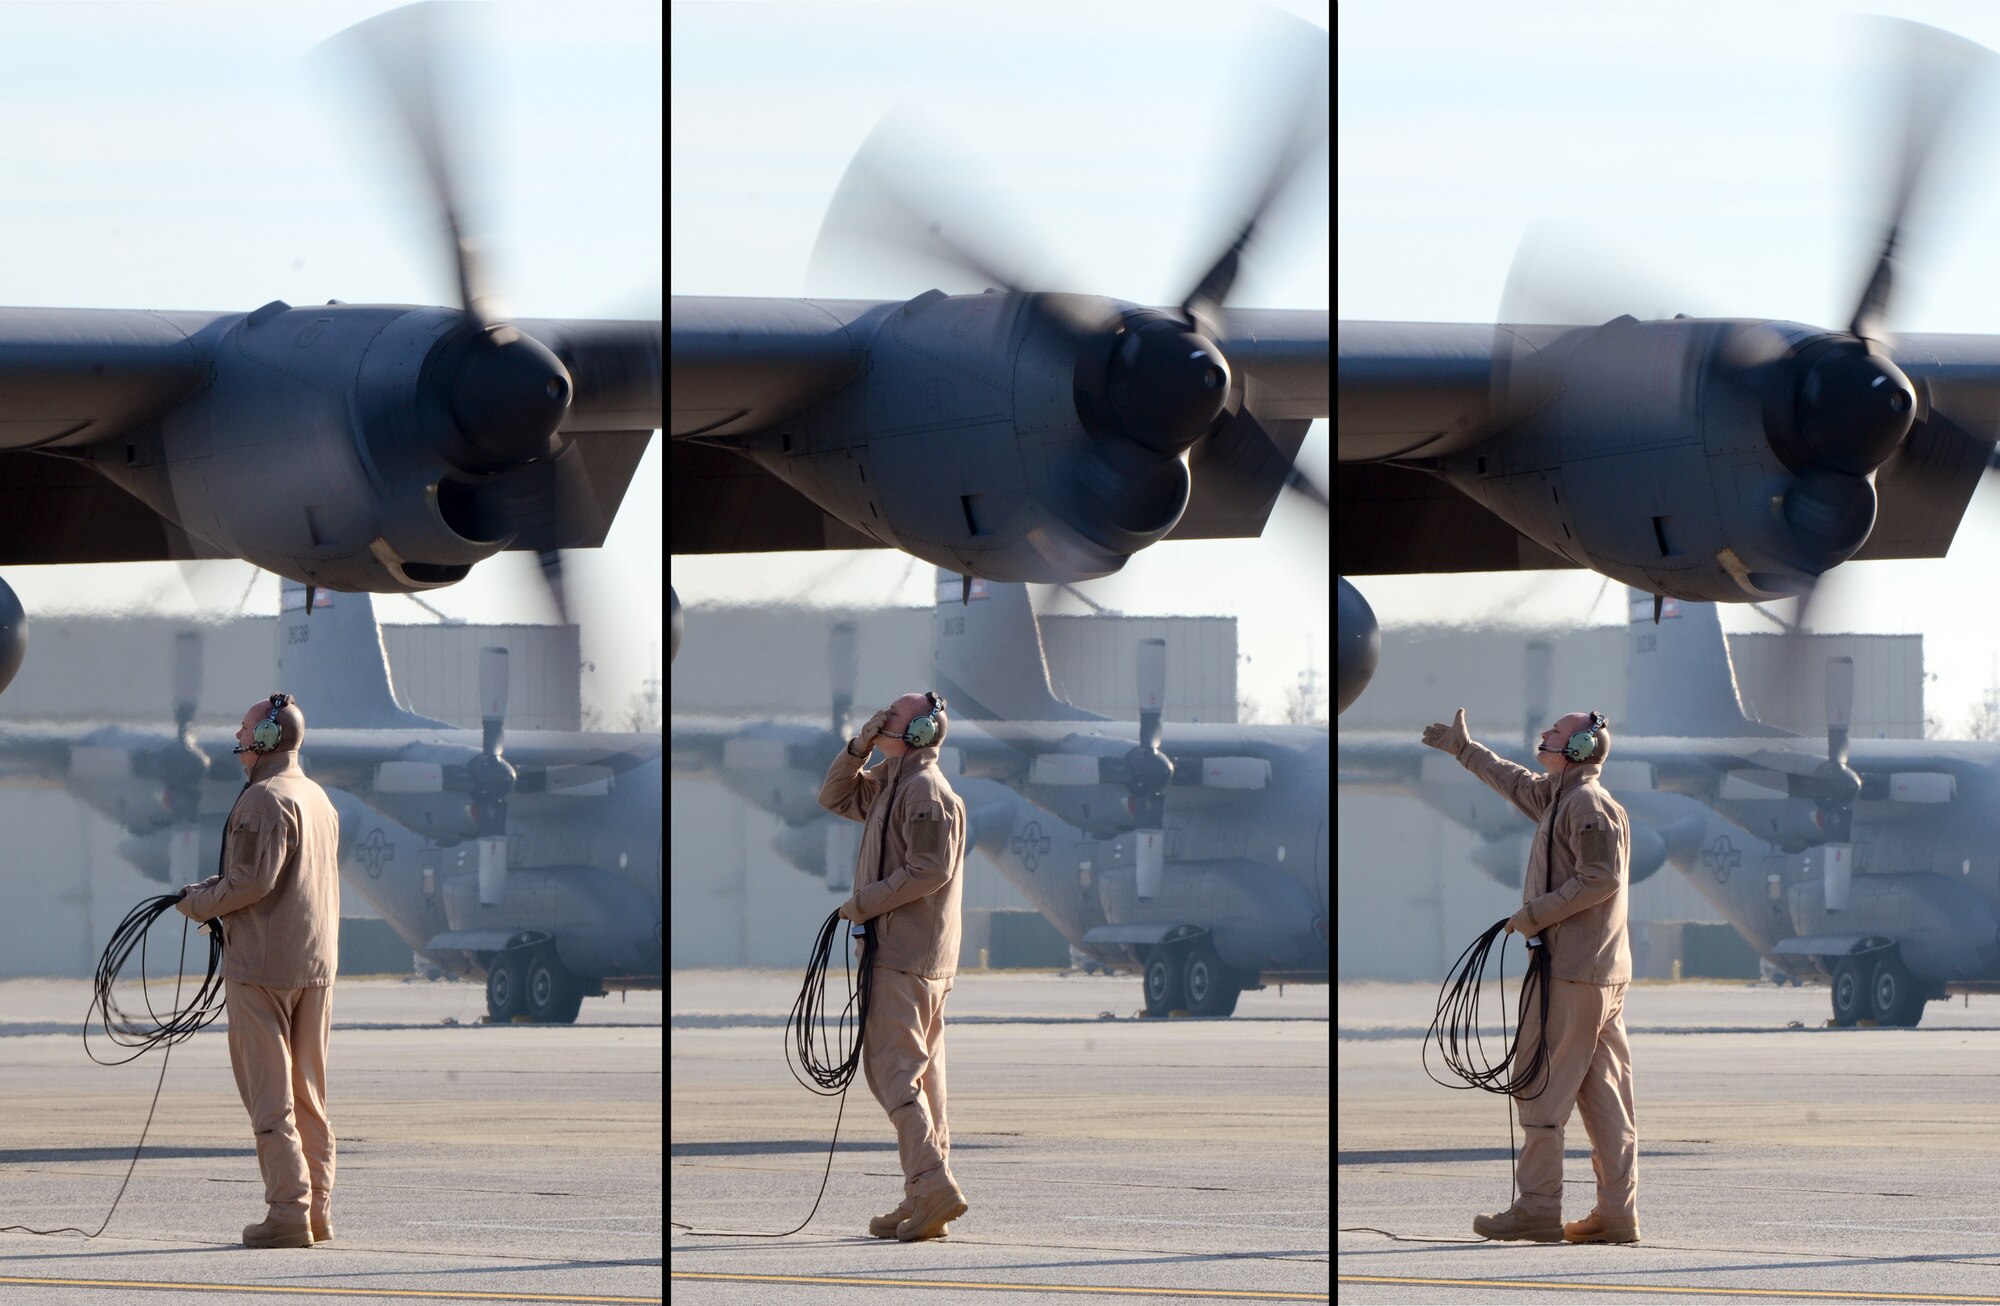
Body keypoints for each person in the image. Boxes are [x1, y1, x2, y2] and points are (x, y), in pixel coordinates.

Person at [1420, 706, 1641, 1246]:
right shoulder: (1562, 797)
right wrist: (1464, 750)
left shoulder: (1586, 804)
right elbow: (1517, 783)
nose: (1545, 736)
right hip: (1596, 973)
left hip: (1572, 973)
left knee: (1541, 1085)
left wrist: (1533, 915)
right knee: (1604, 1097)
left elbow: (1600, 878)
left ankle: (1538, 1208)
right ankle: (1615, 1214)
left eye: (1558, 733)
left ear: (1582, 749)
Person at [177, 693, 342, 1249]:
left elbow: (250, 882)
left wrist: (196, 903)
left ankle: (288, 1213)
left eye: (247, 731)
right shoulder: (318, 798)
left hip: (263, 969)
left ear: (267, 741)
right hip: (315, 967)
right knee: (310, 1094)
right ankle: (318, 1210)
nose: (240, 740)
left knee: (270, 1097)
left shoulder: (261, 801)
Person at [819, 691, 970, 1242]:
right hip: (907, 955)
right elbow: (834, 795)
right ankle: (924, 1195)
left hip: (907, 957)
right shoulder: (889, 784)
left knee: (891, 1072)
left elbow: (928, 870)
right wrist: (860, 744)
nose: (882, 719)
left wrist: (860, 903)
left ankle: (932, 1185)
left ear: (922, 732)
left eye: (894, 716)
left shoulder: (926, 793)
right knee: (922, 1079)